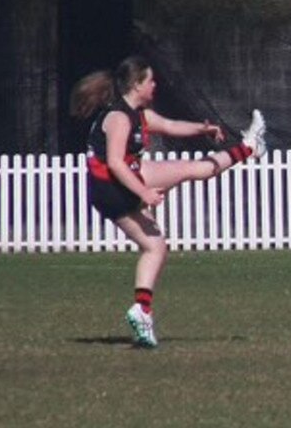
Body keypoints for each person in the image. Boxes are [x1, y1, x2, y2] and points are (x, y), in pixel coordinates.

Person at [71, 55, 266, 348]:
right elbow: (115, 163)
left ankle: (250, 148)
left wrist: (203, 128)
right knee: (156, 246)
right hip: (114, 188)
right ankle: (250, 147)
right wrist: (144, 193)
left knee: (194, 172)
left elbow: (172, 126)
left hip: (119, 183)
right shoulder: (119, 118)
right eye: (150, 80)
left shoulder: (139, 114)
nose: (155, 84)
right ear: (137, 84)